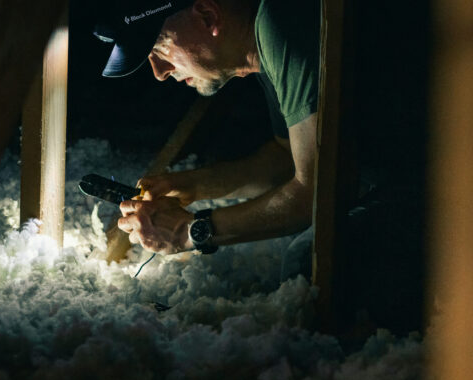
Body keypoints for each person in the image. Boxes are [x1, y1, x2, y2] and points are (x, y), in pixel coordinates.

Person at [94, 0, 321, 274]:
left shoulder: (281, 25)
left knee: (304, 264)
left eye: (159, 47)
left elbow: (316, 193)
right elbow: (288, 159)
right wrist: (195, 185)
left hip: (385, 187)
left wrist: (188, 232)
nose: (159, 72)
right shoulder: (262, 42)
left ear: (207, 17)